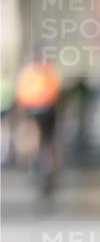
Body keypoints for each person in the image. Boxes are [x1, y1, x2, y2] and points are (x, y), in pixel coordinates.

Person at [15, 58, 62, 204]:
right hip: (48, 109)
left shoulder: (28, 72)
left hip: (32, 109)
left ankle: (35, 163)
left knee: (34, 137)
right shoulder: (50, 71)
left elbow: (21, 92)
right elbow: (57, 91)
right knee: (49, 140)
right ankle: (49, 168)